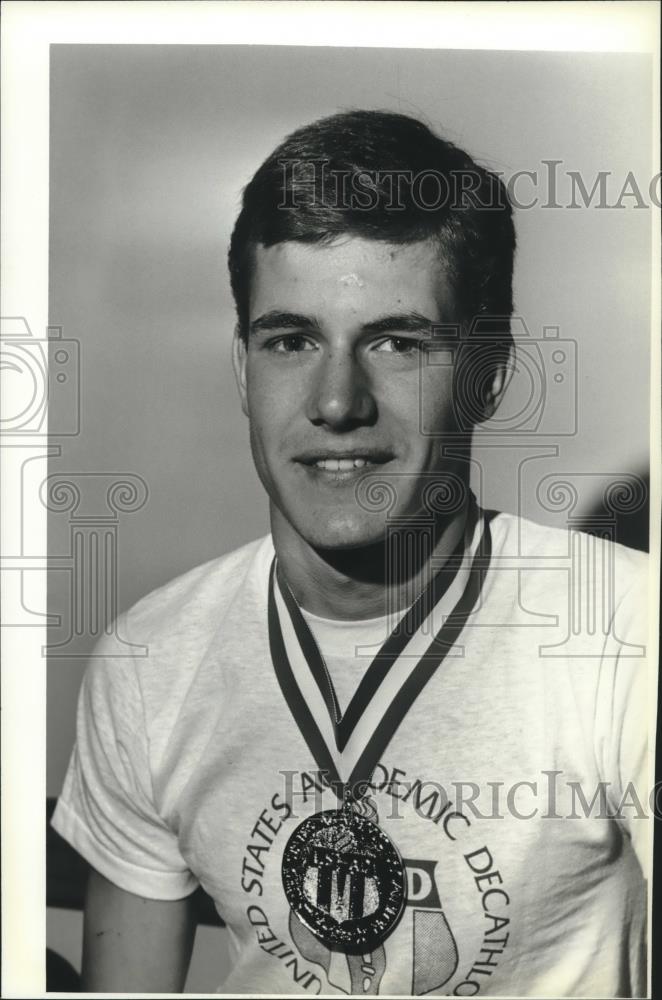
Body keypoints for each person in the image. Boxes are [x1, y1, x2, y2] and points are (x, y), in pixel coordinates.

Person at [51, 110, 649, 997]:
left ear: (489, 370)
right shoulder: (149, 662)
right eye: (291, 341)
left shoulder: (625, 635)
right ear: (242, 367)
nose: (336, 402)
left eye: (397, 342)